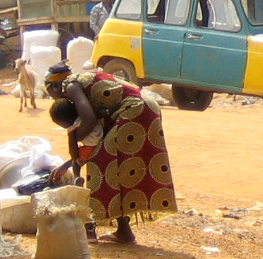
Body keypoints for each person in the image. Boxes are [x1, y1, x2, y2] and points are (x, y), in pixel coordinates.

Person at [43, 63, 178, 244]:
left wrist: (72, 137)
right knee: (118, 168)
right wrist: (69, 162)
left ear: (53, 86)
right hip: (146, 108)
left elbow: (89, 121)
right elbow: (95, 136)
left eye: (50, 93)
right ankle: (124, 230)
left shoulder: (72, 86)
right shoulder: (85, 84)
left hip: (134, 110)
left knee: (101, 165)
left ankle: (90, 228)